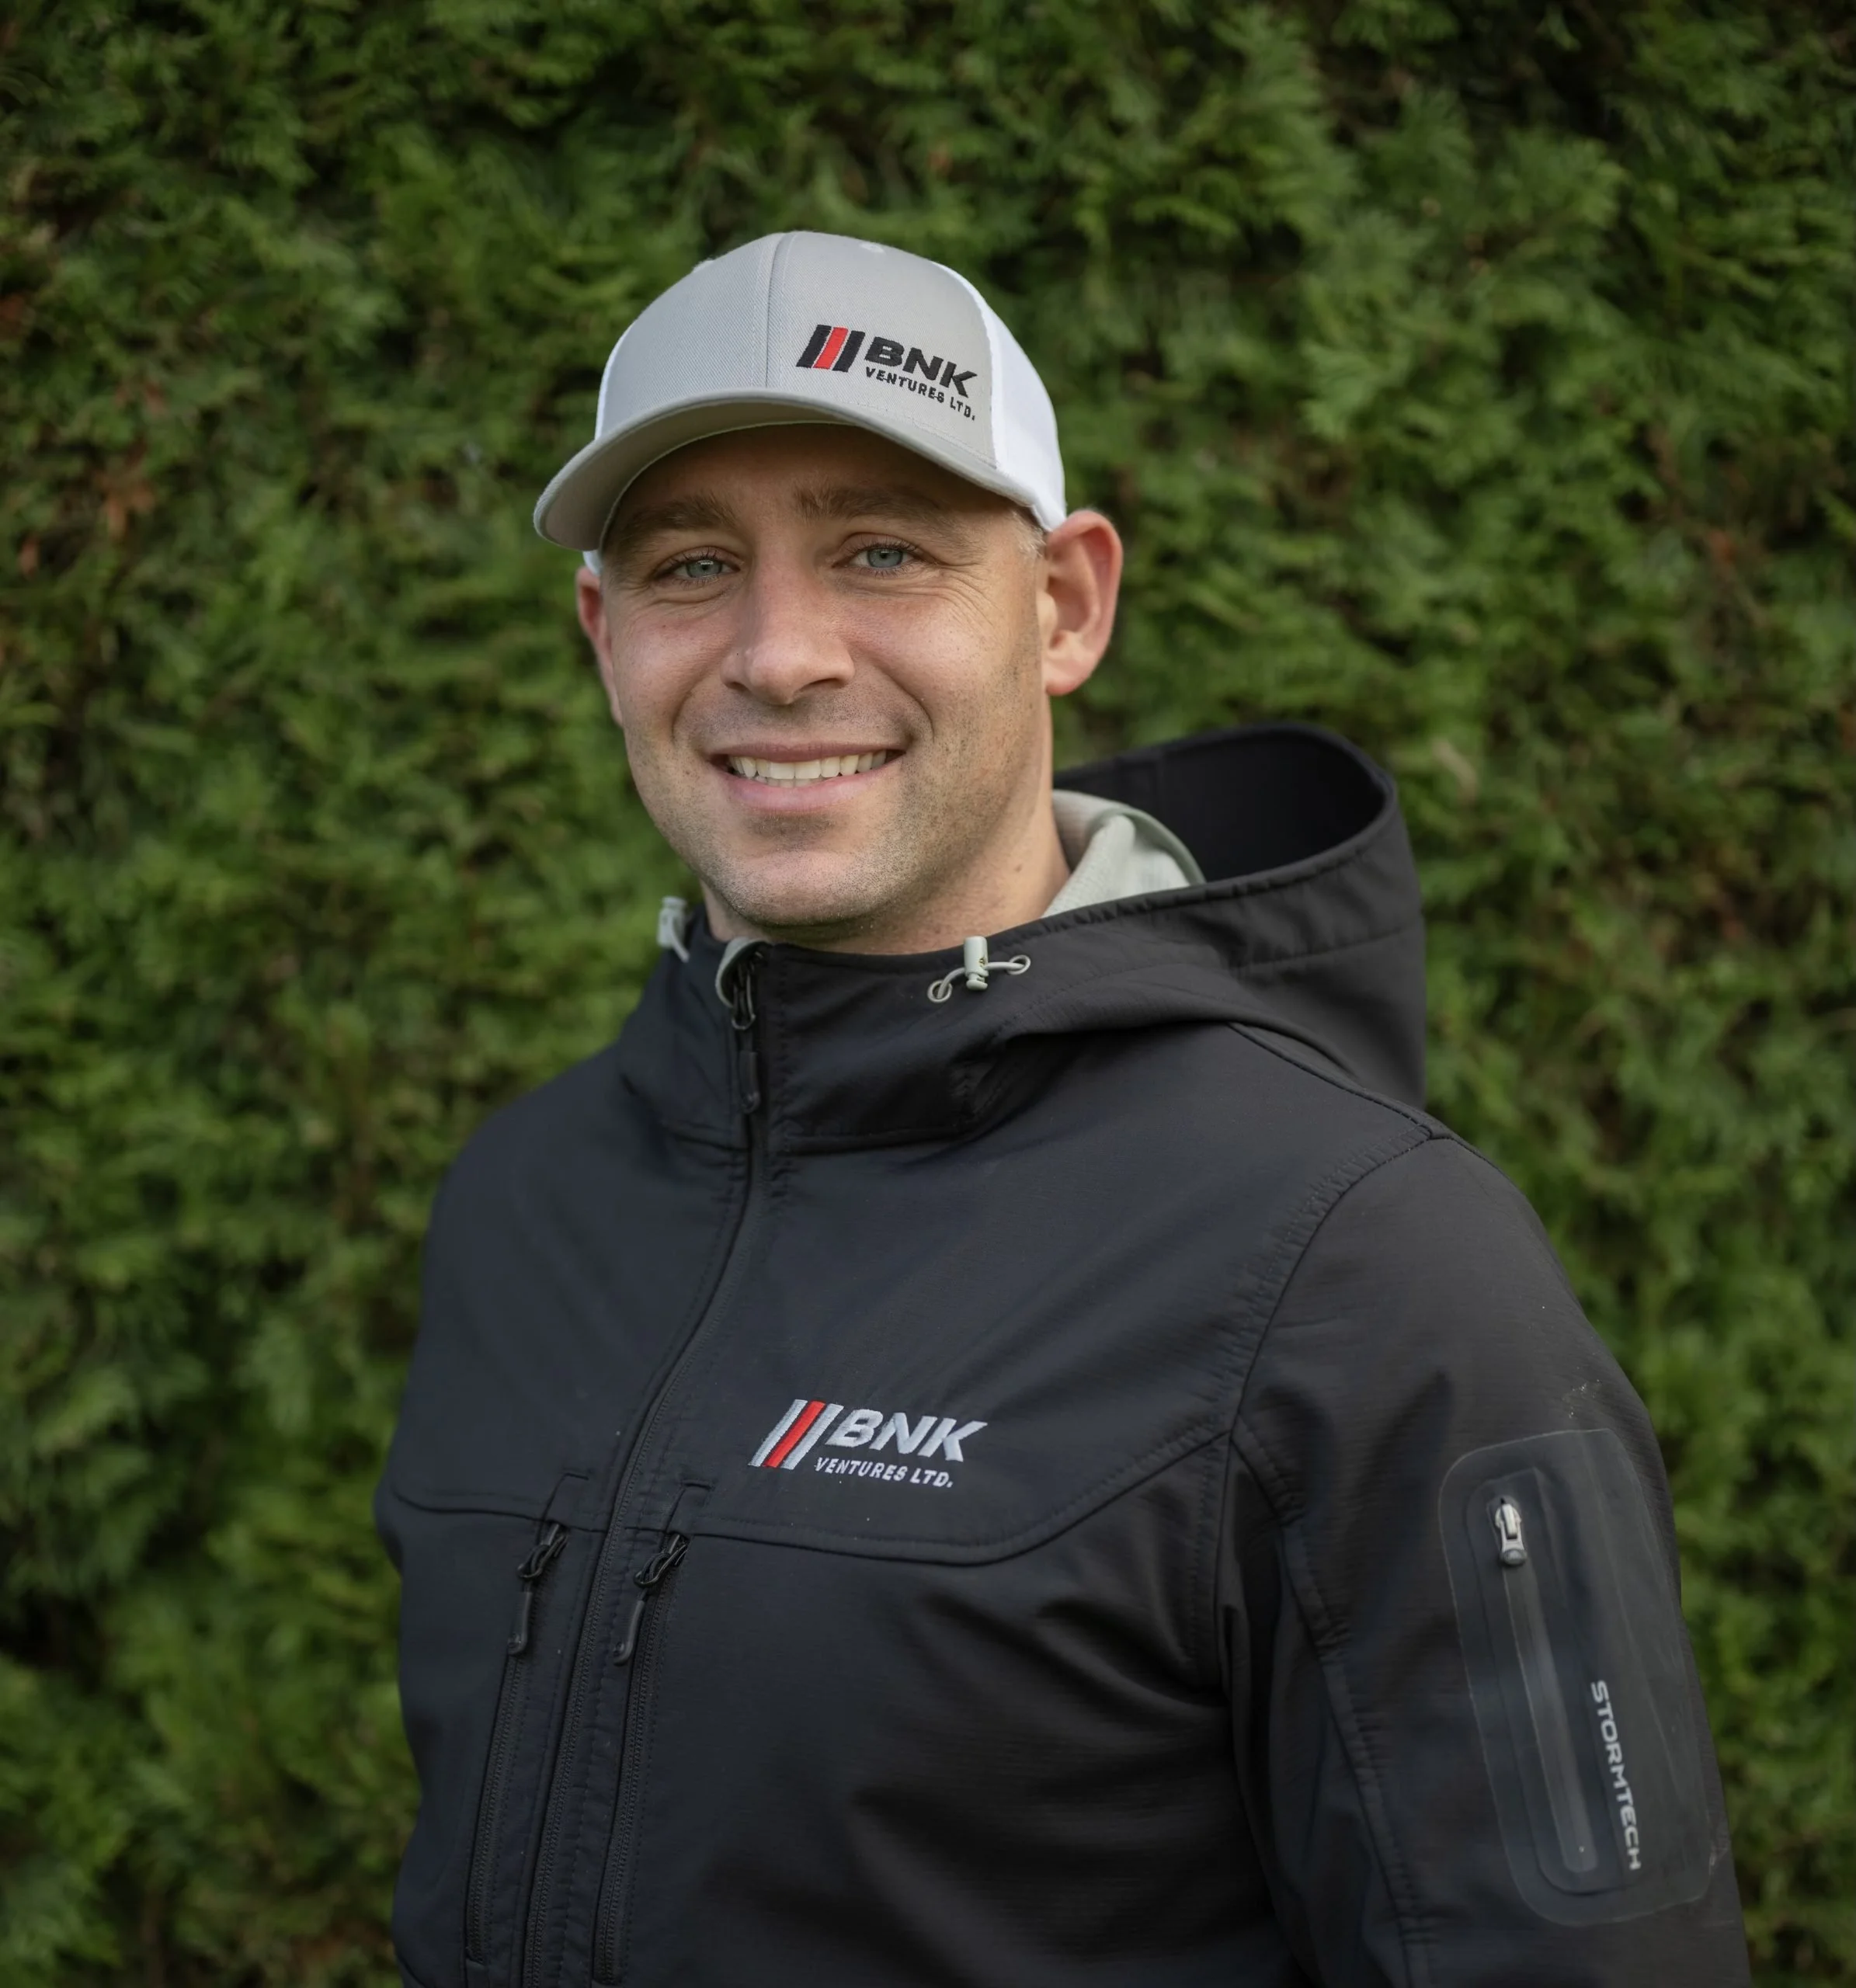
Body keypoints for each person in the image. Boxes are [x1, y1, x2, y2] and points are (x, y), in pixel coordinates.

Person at [376, 231, 1750, 1988]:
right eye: (691, 563)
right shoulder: (525, 1201)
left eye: (882, 550)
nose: (778, 652)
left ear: (1065, 604)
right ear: (603, 633)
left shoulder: (1365, 1261)